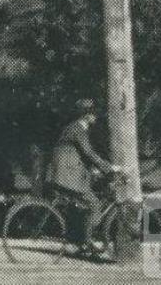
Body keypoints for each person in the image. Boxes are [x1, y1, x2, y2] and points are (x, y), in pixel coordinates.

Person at [49, 99, 117, 252]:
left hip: (66, 174)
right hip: (68, 176)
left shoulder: (74, 128)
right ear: (85, 115)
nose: (95, 116)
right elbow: (88, 153)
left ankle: (80, 241)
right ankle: (87, 242)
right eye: (93, 113)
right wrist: (109, 167)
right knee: (94, 204)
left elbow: (79, 155)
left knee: (82, 206)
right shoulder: (78, 129)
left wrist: (96, 169)